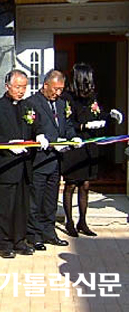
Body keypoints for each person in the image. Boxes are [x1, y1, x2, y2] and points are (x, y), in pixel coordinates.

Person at [61, 63, 123, 237]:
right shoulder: (67, 97)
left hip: (90, 144)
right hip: (75, 144)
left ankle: (83, 221)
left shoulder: (91, 97)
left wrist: (109, 114)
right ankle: (69, 222)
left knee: (86, 184)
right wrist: (83, 125)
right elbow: (66, 123)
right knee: (71, 183)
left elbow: (98, 113)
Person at [25, 70, 81, 251]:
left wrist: (73, 138)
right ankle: (34, 235)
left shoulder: (62, 103)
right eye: (55, 89)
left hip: (56, 160)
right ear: (46, 85)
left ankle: (49, 232)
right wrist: (45, 139)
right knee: (36, 199)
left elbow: (68, 125)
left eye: (61, 89)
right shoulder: (32, 103)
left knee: (50, 199)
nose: (58, 93)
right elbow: (31, 127)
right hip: (39, 160)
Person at [0, 69, 35, 259]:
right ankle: (3, 243)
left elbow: (35, 129)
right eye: (18, 87)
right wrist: (7, 145)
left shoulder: (27, 107)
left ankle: (19, 240)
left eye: (24, 87)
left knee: (21, 207)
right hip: (5, 166)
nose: (21, 91)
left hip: (24, 165)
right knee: (4, 208)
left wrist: (42, 136)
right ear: (7, 86)